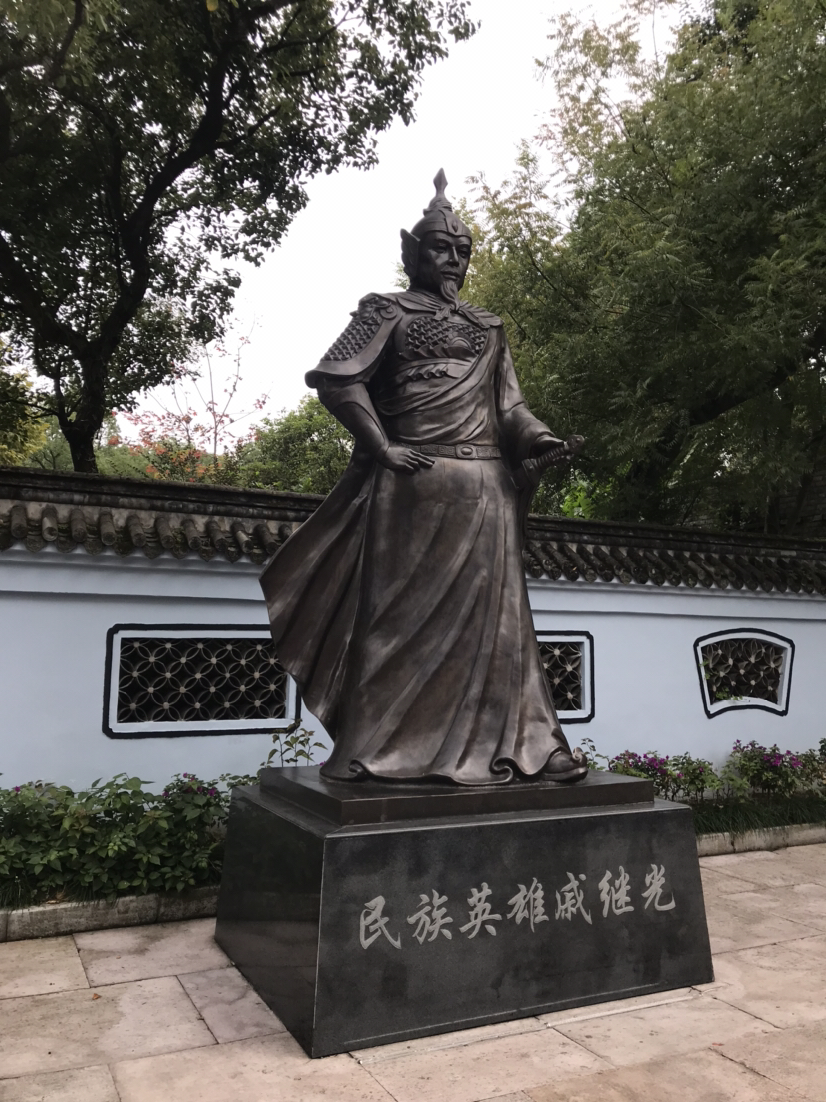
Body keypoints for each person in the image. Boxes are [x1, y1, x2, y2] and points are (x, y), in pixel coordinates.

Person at [260, 171, 588, 786]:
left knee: (505, 629)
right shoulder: (386, 310)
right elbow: (338, 379)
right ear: (412, 251)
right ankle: (370, 748)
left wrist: (539, 438)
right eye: (441, 248)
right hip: (415, 484)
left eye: (463, 250)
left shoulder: (489, 327)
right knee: (395, 622)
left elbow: (511, 408)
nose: (454, 260)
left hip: (487, 488)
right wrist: (382, 446)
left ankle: (534, 745)